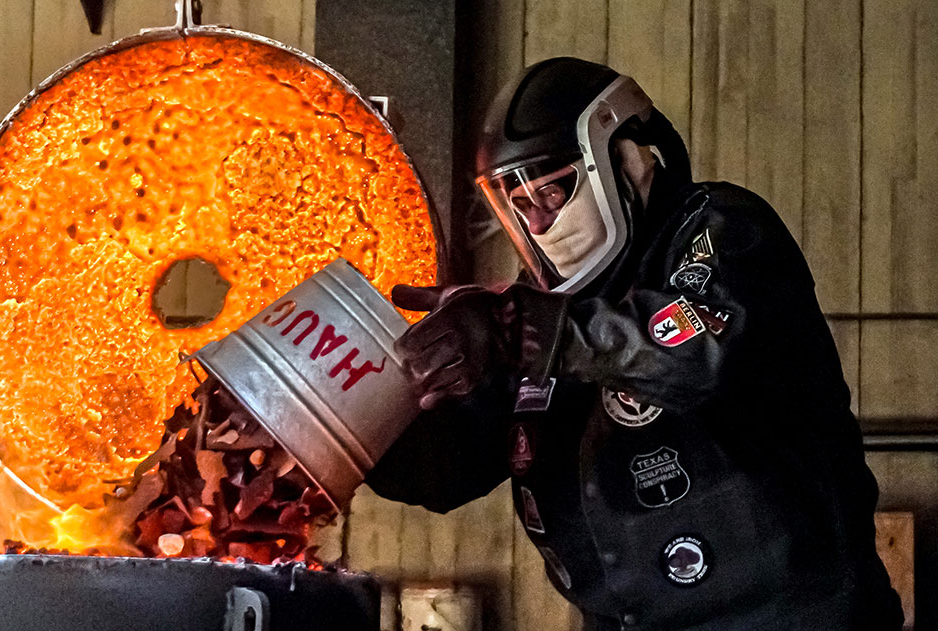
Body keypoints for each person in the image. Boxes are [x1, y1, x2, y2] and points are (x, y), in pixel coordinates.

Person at [365, 57, 904, 630]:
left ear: (623, 156)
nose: (539, 223)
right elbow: (449, 466)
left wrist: (525, 329)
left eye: (550, 191)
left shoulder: (722, 232)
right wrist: (341, 434)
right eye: (517, 205)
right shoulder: (532, 311)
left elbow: (694, 352)